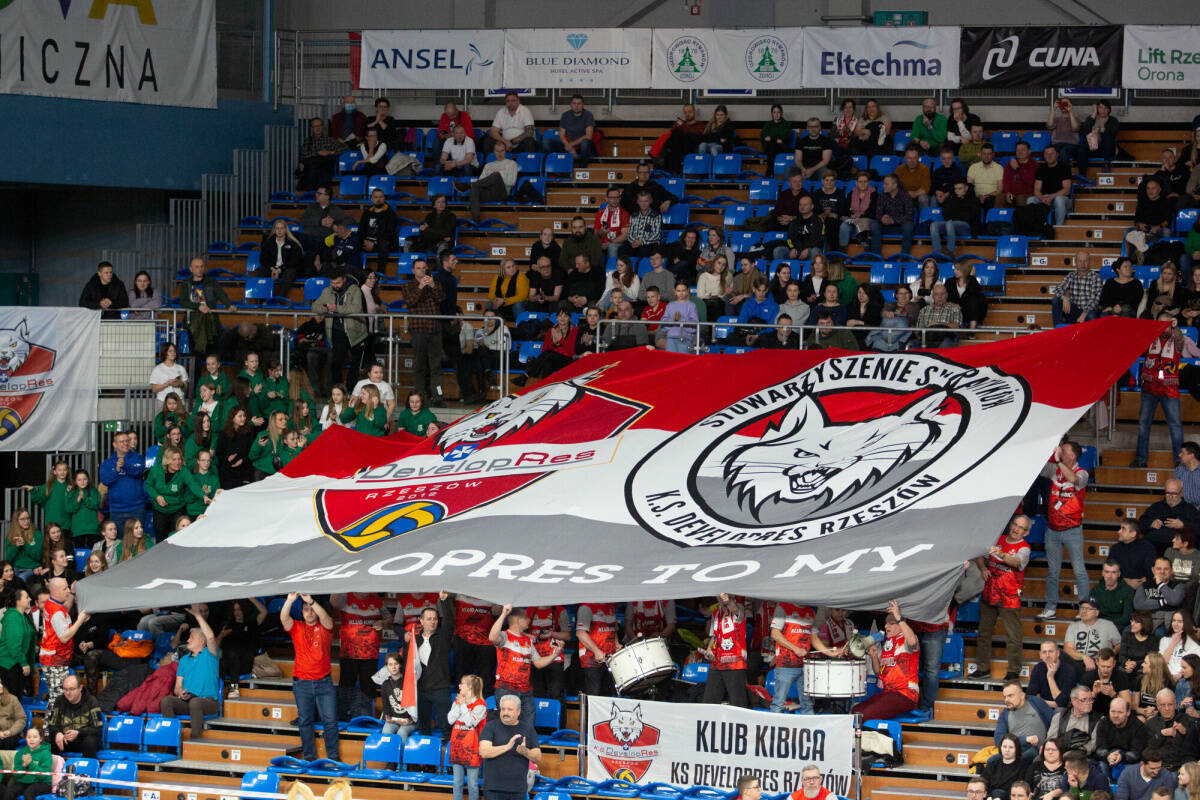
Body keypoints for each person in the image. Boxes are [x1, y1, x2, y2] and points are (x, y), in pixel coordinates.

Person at [280, 593, 338, 761]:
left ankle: (333, 758)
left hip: (324, 682)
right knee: (305, 721)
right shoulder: (297, 627)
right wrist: (290, 601)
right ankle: (309, 757)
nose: (310, 612)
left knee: (330, 721)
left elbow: (326, 618)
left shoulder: (326, 627)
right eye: (306, 609)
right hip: (302, 683)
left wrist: (311, 601)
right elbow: (284, 618)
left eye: (312, 610)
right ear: (302, 612)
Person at [1037, 441, 1091, 620]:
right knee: (1052, 571)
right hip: (1052, 530)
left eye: (1064, 451)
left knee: (1079, 570)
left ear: (1073, 455)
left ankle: (1084, 609)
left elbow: (1074, 480)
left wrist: (1058, 461)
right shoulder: (1054, 470)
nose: (1060, 453)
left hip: (1072, 530)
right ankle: (1050, 607)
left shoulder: (1082, 473)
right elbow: (1038, 466)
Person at [489, 605, 562, 723]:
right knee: (508, 726)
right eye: (526, 618)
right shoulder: (505, 636)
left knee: (528, 727)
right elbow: (492, 637)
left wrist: (555, 654)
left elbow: (538, 663)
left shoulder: (528, 640)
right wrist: (503, 614)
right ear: (518, 620)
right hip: (506, 689)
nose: (529, 620)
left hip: (526, 691)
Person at [160, 603, 220, 739]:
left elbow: (211, 637)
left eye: (191, 638)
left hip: (208, 702)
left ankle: (195, 739)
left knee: (195, 702)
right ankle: (171, 739)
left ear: (202, 641)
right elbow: (177, 687)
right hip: (188, 701)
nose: (187, 640)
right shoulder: (183, 660)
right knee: (166, 701)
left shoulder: (210, 654)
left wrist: (198, 615)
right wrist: (180, 693)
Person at [1133, 320, 1187, 470]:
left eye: (1166, 325)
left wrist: (1175, 327)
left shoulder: (1177, 340)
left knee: (1175, 425)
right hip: (1149, 388)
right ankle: (1141, 459)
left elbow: (1180, 339)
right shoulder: (1150, 339)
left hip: (1169, 389)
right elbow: (1138, 341)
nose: (1163, 328)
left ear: (1171, 326)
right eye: (1160, 324)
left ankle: (1179, 461)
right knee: (1143, 425)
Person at [852, 600, 919, 720]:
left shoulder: (906, 639)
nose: (886, 626)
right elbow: (879, 673)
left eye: (891, 623)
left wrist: (899, 617)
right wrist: (874, 656)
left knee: (863, 715)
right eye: (886, 623)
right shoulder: (888, 643)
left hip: (905, 694)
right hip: (889, 693)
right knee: (855, 710)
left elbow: (913, 641)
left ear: (901, 624)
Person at [478, 695, 541, 800]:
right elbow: (484, 751)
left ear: (518, 712)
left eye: (509, 709)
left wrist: (525, 752)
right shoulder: (490, 726)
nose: (505, 713)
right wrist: (507, 747)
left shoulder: (528, 729)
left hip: (518, 789)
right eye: (503, 709)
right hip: (493, 789)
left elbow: (538, 757)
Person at [770, 602, 816, 714]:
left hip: (805, 664)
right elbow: (775, 633)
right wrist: (796, 649)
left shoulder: (811, 611)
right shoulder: (783, 607)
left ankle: (809, 724)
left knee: (808, 704)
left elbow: (814, 638)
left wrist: (831, 653)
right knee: (778, 704)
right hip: (786, 664)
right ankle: (774, 726)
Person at [448, 674, 487, 800]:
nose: (459, 686)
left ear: (469, 687)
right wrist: (459, 705)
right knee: (457, 783)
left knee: (472, 784)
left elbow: (470, 722)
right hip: (457, 745)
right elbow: (450, 719)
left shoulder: (480, 704)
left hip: (472, 747)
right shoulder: (457, 701)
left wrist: (463, 706)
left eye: (462, 684)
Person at [45, 674, 102, 758]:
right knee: (48, 741)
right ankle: (52, 766)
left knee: (90, 741)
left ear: (80, 688)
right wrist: (57, 733)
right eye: (65, 689)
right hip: (65, 740)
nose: (68, 693)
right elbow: (52, 725)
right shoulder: (59, 701)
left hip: (83, 740)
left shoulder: (91, 701)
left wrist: (78, 733)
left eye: (71, 689)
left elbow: (97, 729)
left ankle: (87, 766)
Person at [996, 680, 1054, 761]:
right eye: (1005, 697)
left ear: (1022, 695)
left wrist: (1049, 744)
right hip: (1014, 750)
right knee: (991, 761)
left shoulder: (1036, 702)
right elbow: (998, 740)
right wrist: (1025, 739)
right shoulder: (1004, 714)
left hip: (1037, 749)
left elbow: (1054, 722)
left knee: (1025, 757)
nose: (1006, 700)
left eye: (1010, 696)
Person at [465, 141, 518, 222]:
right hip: (488, 193)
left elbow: (511, 182)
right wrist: (489, 182)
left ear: (505, 151)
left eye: (502, 151)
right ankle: (476, 218)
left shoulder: (512, 164)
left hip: (501, 193)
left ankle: (469, 185)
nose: (499, 153)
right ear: (494, 152)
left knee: (496, 175)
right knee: (475, 187)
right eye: (497, 151)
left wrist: (495, 179)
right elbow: (480, 181)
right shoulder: (488, 165)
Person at [1094, 697, 1148, 776]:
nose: (1115, 715)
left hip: (1128, 761)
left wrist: (1121, 757)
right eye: (1113, 711)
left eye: (1120, 712)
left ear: (1128, 712)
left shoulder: (1138, 727)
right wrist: (1108, 756)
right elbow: (1100, 749)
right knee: (1100, 767)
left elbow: (1137, 753)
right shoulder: (1103, 723)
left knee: (1129, 770)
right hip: (1108, 759)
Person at [1066, 599, 1122, 674]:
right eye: (1082, 608)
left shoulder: (1108, 625)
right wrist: (1084, 657)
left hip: (1099, 664)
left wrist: (1109, 656)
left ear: (1096, 612)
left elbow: (1119, 644)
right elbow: (1068, 649)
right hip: (1077, 662)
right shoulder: (1073, 626)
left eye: (1088, 609)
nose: (1084, 611)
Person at [576, 602, 618, 698]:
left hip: (609, 659)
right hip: (591, 659)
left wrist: (617, 644)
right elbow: (580, 633)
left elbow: (613, 629)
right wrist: (596, 651)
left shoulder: (610, 605)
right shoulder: (586, 607)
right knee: (594, 696)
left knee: (608, 695)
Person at [298, 186, 354, 256]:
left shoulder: (335, 210)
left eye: (319, 194)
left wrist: (334, 223)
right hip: (308, 238)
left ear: (327, 197)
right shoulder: (311, 207)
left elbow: (351, 221)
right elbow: (302, 221)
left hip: (323, 241)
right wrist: (320, 222)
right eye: (317, 193)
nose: (316, 195)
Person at [1144, 692, 1193, 770]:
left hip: (1180, 767)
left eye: (1170, 704)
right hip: (1158, 767)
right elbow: (1148, 748)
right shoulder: (1150, 723)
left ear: (1175, 705)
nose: (1167, 708)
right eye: (1163, 705)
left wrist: (1184, 733)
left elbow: (1192, 749)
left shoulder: (1186, 720)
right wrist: (1161, 734)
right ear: (1157, 706)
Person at [0, 589, 34, 700]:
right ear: (18, 601)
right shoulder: (13, 617)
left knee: (16, 699)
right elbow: (14, 645)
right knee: (12, 700)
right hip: (9, 664)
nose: (30, 599)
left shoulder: (21, 616)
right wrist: (24, 663)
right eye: (27, 597)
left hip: (15, 663)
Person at [933, 180, 981, 257]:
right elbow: (945, 212)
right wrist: (952, 218)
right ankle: (937, 254)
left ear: (966, 188)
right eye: (955, 189)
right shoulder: (952, 199)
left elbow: (970, 216)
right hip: (952, 225)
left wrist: (954, 218)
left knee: (949, 224)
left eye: (960, 188)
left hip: (967, 227)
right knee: (934, 225)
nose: (957, 191)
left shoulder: (974, 200)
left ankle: (950, 253)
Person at [1046, 686, 1102, 752]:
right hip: (1060, 752)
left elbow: (1094, 743)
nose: (1089, 703)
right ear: (1073, 701)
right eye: (1084, 700)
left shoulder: (1098, 719)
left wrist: (1080, 750)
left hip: (1083, 755)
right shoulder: (1059, 717)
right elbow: (1051, 739)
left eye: (1090, 699)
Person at [1030, 144, 1074, 226]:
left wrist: (1051, 197)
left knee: (1059, 200)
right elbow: (1036, 190)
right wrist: (1042, 198)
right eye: (1046, 154)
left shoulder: (1064, 168)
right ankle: (1035, 228)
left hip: (1062, 200)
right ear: (1044, 156)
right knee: (1031, 200)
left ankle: (1059, 227)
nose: (1049, 156)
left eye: (1052, 153)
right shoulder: (1040, 169)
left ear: (1057, 155)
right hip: (1045, 199)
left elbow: (1066, 190)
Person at [297, 117, 345, 191]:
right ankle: (317, 192)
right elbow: (304, 155)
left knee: (317, 170)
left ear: (322, 127)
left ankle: (313, 193)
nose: (317, 128)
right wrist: (317, 153)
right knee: (313, 168)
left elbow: (345, 149)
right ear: (312, 128)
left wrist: (330, 152)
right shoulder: (308, 141)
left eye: (319, 126)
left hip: (325, 167)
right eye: (315, 126)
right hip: (314, 167)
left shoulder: (329, 140)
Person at [377, 652, 417, 742]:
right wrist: (388, 717)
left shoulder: (409, 682)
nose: (393, 667)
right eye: (390, 664)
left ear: (400, 665)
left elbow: (416, 704)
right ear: (387, 666)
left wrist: (411, 719)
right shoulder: (385, 684)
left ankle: (402, 752)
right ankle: (389, 752)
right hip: (394, 720)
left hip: (409, 721)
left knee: (401, 733)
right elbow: (386, 705)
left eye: (396, 664)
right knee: (386, 732)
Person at [3, 723, 48, 800]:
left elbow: (44, 776)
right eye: (29, 737)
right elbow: (17, 775)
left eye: (35, 737)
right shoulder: (20, 753)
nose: (31, 739)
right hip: (24, 782)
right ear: (25, 739)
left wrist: (30, 764)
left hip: (42, 783)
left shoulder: (46, 754)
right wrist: (23, 766)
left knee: (29, 792)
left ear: (40, 739)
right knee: (9, 791)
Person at [547, 94, 595, 165]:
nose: (576, 106)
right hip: (568, 145)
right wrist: (569, 147)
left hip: (581, 146)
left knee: (585, 143)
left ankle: (582, 167)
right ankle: (554, 167)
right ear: (570, 105)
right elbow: (561, 135)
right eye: (574, 103)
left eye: (579, 104)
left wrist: (570, 145)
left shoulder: (588, 115)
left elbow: (588, 136)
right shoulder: (565, 115)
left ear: (583, 105)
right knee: (547, 143)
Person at [359, 189, 398, 275]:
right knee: (353, 242)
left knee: (384, 244)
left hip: (381, 242)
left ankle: (380, 274)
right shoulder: (367, 212)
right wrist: (364, 241)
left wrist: (375, 243)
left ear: (384, 198)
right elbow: (360, 230)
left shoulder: (390, 213)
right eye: (376, 197)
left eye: (381, 197)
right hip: (367, 242)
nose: (378, 199)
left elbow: (390, 233)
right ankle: (358, 273)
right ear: (372, 199)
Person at [1030, 640, 1078, 708]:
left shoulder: (1069, 670)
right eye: (1044, 652)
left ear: (1058, 653)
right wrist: (1052, 704)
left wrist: (1050, 677)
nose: (1047, 655)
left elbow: (1062, 703)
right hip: (1043, 708)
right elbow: (1030, 696)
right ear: (1040, 655)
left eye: (1050, 651)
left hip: (1063, 710)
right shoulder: (1038, 668)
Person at [876, 174, 916, 255]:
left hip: (900, 225)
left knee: (908, 226)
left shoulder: (905, 196)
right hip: (886, 225)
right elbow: (878, 214)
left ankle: (904, 256)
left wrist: (893, 220)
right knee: (874, 224)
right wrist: (882, 218)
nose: (883, 186)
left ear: (894, 185)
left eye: (886, 184)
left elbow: (909, 215)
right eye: (884, 183)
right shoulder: (882, 196)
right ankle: (876, 255)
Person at [1079, 102, 1120, 174]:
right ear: (1097, 109)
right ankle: (1082, 174)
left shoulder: (1113, 120)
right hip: (1092, 148)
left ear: (1109, 110)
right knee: (1082, 147)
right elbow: (1085, 130)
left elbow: (1113, 131)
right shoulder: (1092, 118)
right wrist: (1094, 113)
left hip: (1106, 151)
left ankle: (1106, 165)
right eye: (1100, 108)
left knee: (1107, 136)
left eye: (1106, 108)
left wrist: (1099, 129)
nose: (1103, 110)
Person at [1094, 560, 1135, 632]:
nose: (1110, 576)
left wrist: (1108, 624)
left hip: (1119, 626)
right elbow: (1092, 614)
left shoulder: (1128, 590)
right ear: (1102, 573)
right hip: (1100, 625)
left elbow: (1127, 618)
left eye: (1113, 572)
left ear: (1119, 574)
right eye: (1107, 572)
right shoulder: (1095, 590)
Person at [983, 734, 1027, 800]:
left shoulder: (1023, 766)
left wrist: (1000, 797)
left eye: (1011, 747)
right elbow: (983, 784)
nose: (1007, 750)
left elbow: (1020, 789)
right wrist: (988, 797)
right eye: (1004, 747)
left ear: (1017, 749)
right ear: (1000, 747)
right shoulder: (993, 763)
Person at [622, 191, 663, 260]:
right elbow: (630, 233)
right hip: (634, 243)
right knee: (622, 250)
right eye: (641, 201)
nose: (643, 204)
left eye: (646, 201)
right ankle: (626, 266)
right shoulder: (633, 215)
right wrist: (634, 241)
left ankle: (640, 266)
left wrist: (642, 242)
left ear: (650, 201)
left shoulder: (656, 216)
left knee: (643, 250)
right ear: (637, 202)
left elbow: (656, 234)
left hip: (649, 244)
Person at [1159, 610, 1200, 679]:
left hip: (1183, 679)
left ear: (1187, 623)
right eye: (1174, 620)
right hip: (1164, 676)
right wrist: (1173, 643)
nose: (1175, 624)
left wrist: (1181, 675)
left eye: (1180, 621)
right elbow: (1161, 663)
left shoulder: (1194, 645)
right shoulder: (1164, 640)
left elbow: (1194, 668)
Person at [1001, 142, 1039, 209]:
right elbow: (1006, 181)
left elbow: (1030, 182)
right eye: (1018, 150)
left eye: (1023, 150)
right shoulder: (1010, 164)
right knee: (1000, 198)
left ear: (1029, 152)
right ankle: (1000, 216)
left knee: (1020, 198)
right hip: (1012, 196)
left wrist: (1018, 169)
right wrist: (1008, 192)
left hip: (1028, 195)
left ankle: (1023, 215)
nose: (1020, 152)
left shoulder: (1034, 165)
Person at [968, 143, 1005, 209]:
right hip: (976, 197)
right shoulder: (973, 167)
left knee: (992, 200)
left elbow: (999, 190)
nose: (986, 156)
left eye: (989, 154)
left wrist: (986, 196)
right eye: (984, 154)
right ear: (980, 154)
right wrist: (979, 197)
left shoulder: (999, 168)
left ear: (993, 155)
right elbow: (969, 187)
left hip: (992, 197)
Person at [896, 144, 933, 209]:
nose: (912, 161)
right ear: (905, 158)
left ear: (918, 158)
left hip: (919, 196)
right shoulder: (899, 169)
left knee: (923, 198)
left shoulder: (924, 169)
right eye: (909, 158)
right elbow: (895, 187)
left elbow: (925, 189)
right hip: (904, 196)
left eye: (914, 158)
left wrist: (914, 194)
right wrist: (907, 194)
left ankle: (923, 215)